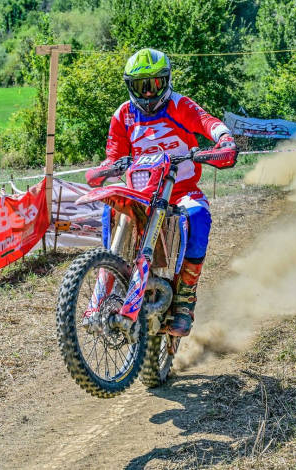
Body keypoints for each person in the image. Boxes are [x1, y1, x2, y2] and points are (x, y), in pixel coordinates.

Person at [89, 48, 235, 337]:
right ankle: (112, 276)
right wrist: (106, 168)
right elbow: (113, 155)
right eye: (139, 86)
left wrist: (224, 138)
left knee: (199, 215)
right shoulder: (123, 114)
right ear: (129, 85)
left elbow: (207, 122)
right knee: (110, 208)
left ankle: (185, 300)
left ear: (166, 81)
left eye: (154, 84)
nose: (147, 93)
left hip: (181, 189)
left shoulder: (179, 105)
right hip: (140, 192)